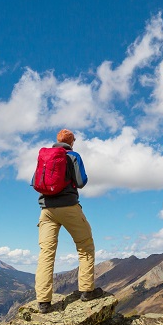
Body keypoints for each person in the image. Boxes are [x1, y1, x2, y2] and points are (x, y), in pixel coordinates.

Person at [35, 128, 106, 312]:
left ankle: (43, 302)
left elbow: (36, 181)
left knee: (46, 253)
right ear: (72, 141)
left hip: (46, 209)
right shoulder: (73, 156)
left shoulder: (45, 157)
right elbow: (81, 181)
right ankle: (86, 291)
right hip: (69, 207)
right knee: (85, 245)